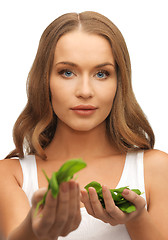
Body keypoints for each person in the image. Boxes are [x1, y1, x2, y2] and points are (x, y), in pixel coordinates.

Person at [0, 11, 168, 240]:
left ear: (119, 82)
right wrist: (35, 228)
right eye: (67, 72)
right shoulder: (11, 175)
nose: (85, 91)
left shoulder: (156, 169)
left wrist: (136, 220)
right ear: (44, 80)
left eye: (101, 73)